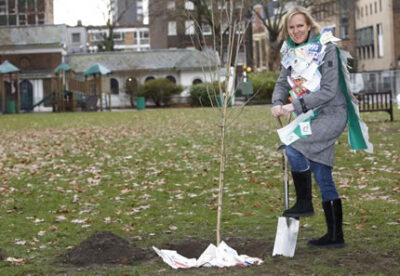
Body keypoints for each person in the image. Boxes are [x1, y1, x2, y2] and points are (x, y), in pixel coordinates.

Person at [271, 6, 353, 248]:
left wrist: (293, 106)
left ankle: (304, 202)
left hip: (332, 114)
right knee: (322, 172)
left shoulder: (326, 49)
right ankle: (335, 236)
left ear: (309, 26)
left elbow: (328, 91)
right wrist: (277, 102)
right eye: (291, 27)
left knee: (293, 147)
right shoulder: (290, 52)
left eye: (300, 26)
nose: (296, 31)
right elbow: (281, 83)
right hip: (310, 115)